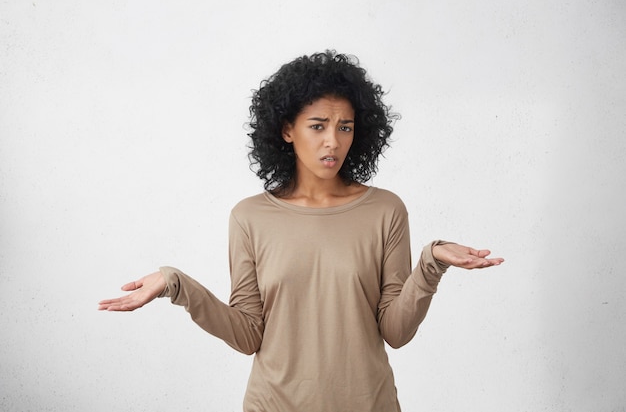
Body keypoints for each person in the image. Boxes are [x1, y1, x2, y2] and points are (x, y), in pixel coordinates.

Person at [98, 50, 504, 412]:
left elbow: (395, 332)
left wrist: (431, 264)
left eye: (345, 127)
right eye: (318, 126)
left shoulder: (385, 210)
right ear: (287, 130)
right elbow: (247, 334)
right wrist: (176, 284)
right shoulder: (249, 217)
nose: (333, 141)